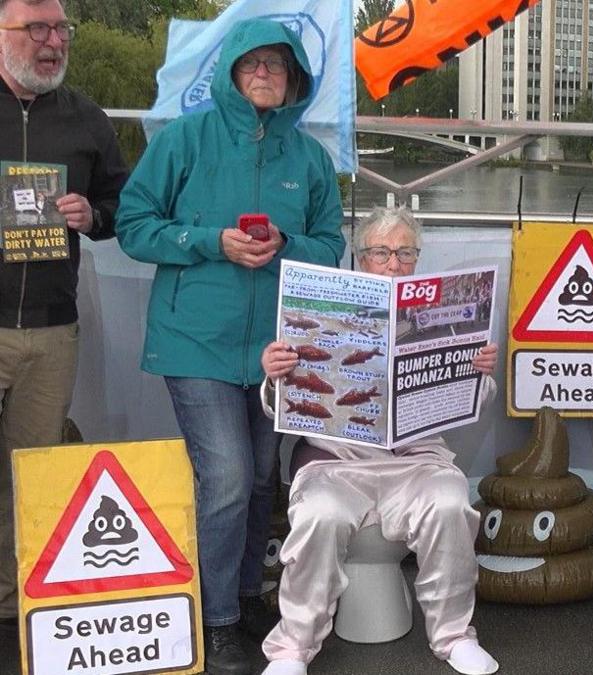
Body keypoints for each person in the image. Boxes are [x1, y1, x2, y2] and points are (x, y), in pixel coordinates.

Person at [115, 19, 344, 675]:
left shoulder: (309, 160)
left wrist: (287, 245)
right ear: (230, 73)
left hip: (280, 349)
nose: (266, 73)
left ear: (296, 78)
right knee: (228, 479)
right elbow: (133, 223)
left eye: (278, 64)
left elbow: (330, 244)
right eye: (254, 63)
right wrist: (211, 241)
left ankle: (245, 597)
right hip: (195, 342)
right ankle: (215, 619)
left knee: (261, 481)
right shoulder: (184, 140)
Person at [259, 207, 500, 675]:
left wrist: (477, 374)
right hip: (336, 462)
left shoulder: (443, 318)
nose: (394, 263)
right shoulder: (318, 313)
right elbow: (277, 407)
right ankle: (292, 648)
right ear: (361, 257)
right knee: (318, 515)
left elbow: (472, 404)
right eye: (382, 252)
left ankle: (453, 635)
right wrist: (273, 377)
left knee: (451, 504)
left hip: (415, 462)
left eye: (405, 253)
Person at [0, 0, 127, 644]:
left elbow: (120, 205)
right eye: (37, 30)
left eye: (60, 31)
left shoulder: (87, 119)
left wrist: (91, 218)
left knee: (28, 473)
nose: (53, 43)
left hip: (53, 329)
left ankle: (6, 602)